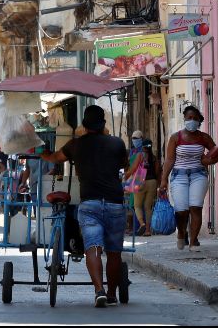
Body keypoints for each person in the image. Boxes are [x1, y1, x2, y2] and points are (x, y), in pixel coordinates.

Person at [40, 105, 128, 308]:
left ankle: (99, 290)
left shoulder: (75, 145)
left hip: (90, 205)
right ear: (103, 124)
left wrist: (44, 153)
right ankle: (113, 294)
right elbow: (124, 164)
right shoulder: (117, 143)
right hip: (115, 203)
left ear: (84, 125)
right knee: (114, 252)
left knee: (93, 247)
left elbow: (55, 158)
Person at [158, 106, 218, 253]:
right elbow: (169, 159)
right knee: (181, 210)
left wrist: (208, 161)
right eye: (189, 118)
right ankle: (181, 233)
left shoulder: (204, 137)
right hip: (179, 176)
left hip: (198, 175)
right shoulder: (175, 138)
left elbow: (217, 153)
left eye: (195, 118)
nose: (191, 121)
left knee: (195, 207)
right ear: (184, 119)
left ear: (199, 120)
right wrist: (163, 180)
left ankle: (193, 241)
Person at [125, 138, 160, 237]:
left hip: (140, 180)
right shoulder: (154, 158)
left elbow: (133, 168)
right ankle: (148, 230)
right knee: (148, 207)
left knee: (137, 205)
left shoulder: (139, 155)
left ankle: (142, 223)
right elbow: (157, 173)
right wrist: (159, 185)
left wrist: (126, 176)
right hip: (152, 182)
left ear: (142, 146)